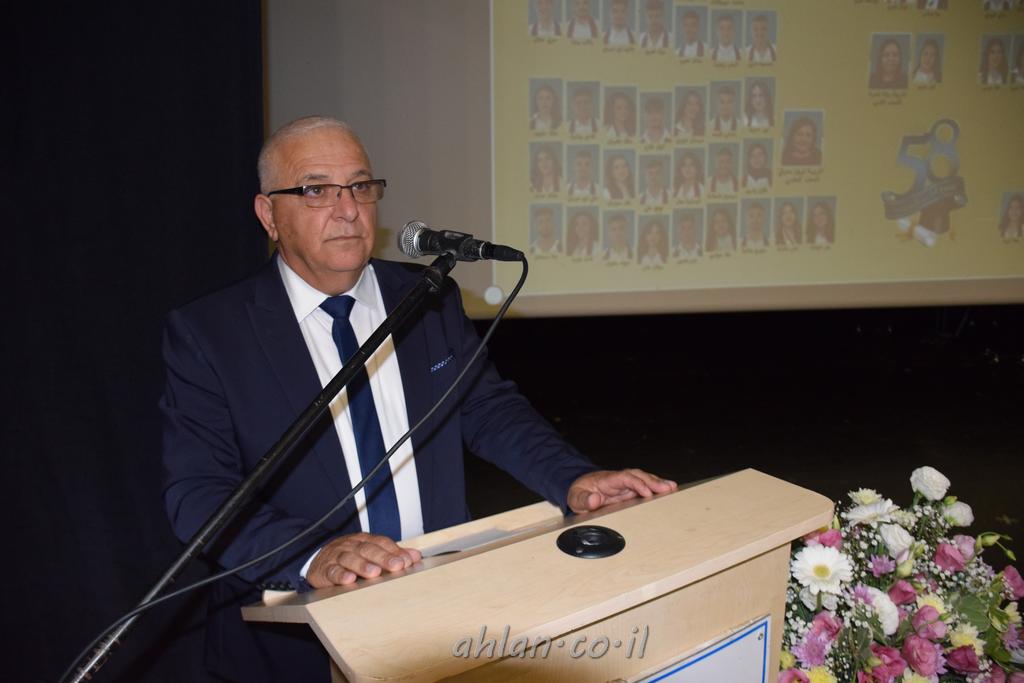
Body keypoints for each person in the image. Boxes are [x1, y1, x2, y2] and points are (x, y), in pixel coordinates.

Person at [161, 116, 677, 683]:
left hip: (442, 614)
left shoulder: (425, 297)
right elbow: (199, 494)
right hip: (293, 645)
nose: (347, 209)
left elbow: (487, 410)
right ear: (268, 215)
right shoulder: (212, 333)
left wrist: (573, 478)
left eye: (360, 186)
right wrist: (315, 554)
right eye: (316, 190)